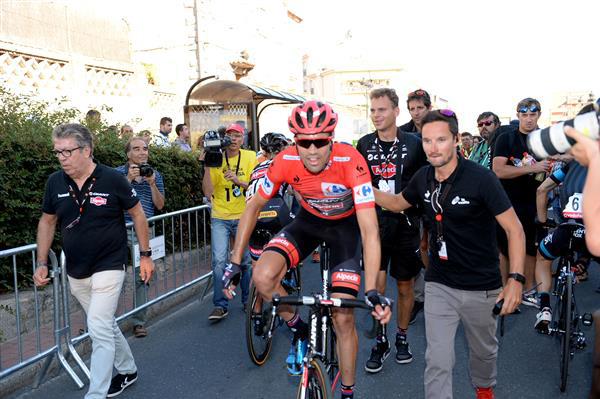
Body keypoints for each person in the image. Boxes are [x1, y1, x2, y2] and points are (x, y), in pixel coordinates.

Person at [226, 101, 391, 399]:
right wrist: (235, 262)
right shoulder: (285, 160)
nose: (312, 150)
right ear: (295, 141)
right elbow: (252, 207)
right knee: (262, 277)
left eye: (320, 142)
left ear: (331, 139)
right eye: (305, 142)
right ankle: (298, 327)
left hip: (346, 229)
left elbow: (369, 230)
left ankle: (348, 392)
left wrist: (372, 291)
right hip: (308, 223)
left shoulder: (351, 160)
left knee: (343, 317)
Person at [375, 110, 525, 399]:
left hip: (482, 286)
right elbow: (396, 203)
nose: (433, 147)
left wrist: (516, 279)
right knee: (437, 360)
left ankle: (484, 390)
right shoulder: (423, 178)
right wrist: (360, 189)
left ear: (456, 140)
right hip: (440, 283)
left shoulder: (482, 179)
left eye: (441, 139)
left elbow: (515, 230)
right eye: (427, 141)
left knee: (483, 355)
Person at [33, 123, 154, 398]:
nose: (61, 157)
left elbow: (138, 214)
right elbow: (47, 221)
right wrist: (41, 262)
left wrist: (145, 256)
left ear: (86, 150)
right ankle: (128, 370)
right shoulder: (55, 182)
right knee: (105, 324)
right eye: (58, 152)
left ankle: (95, 394)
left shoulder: (112, 179)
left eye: (67, 151)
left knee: (98, 327)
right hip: (76, 268)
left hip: (110, 263)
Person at [356, 88, 427, 373]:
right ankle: (381, 340)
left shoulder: (414, 143)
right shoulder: (363, 144)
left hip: (407, 224)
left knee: (405, 285)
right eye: (372, 110)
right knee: (378, 286)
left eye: (381, 110)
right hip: (375, 225)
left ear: (396, 112)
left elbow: (426, 181)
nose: (376, 115)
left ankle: (401, 337)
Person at [492, 98, 552, 304]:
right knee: (505, 248)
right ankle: (505, 289)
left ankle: (527, 291)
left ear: (539, 115)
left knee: (531, 249)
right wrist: (532, 168)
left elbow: (559, 161)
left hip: (536, 202)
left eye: (532, 115)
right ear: (517, 116)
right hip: (507, 202)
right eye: (524, 115)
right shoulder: (506, 139)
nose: (528, 119)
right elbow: (498, 170)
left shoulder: (546, 139)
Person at [203, 123, 255, 321]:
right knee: (218, 262)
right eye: (230, 136)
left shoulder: (250, 157)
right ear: (224, 139)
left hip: (244, 215)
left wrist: (238, 181)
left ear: (242, 140)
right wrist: (207, 165)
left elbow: (258, 186)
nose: (233, 140)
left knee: (245, 261)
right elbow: (207, 193)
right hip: (220, 217)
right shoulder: (216, 158)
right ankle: (220, 305)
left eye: (238, 136)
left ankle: (247, 300)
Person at [115, 137, 165, 338]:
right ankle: (110, 322)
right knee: (114, 276)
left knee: (142, 276)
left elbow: (160, 205)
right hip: (119, 229)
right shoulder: (117, 174)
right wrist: (127, 180)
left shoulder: (154, 174)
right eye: (136, 149)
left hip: (144, 230)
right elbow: (112, 201)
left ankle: (138, 321)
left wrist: (152, 184)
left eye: (145, 149)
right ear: (128, 154)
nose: (142, 152)